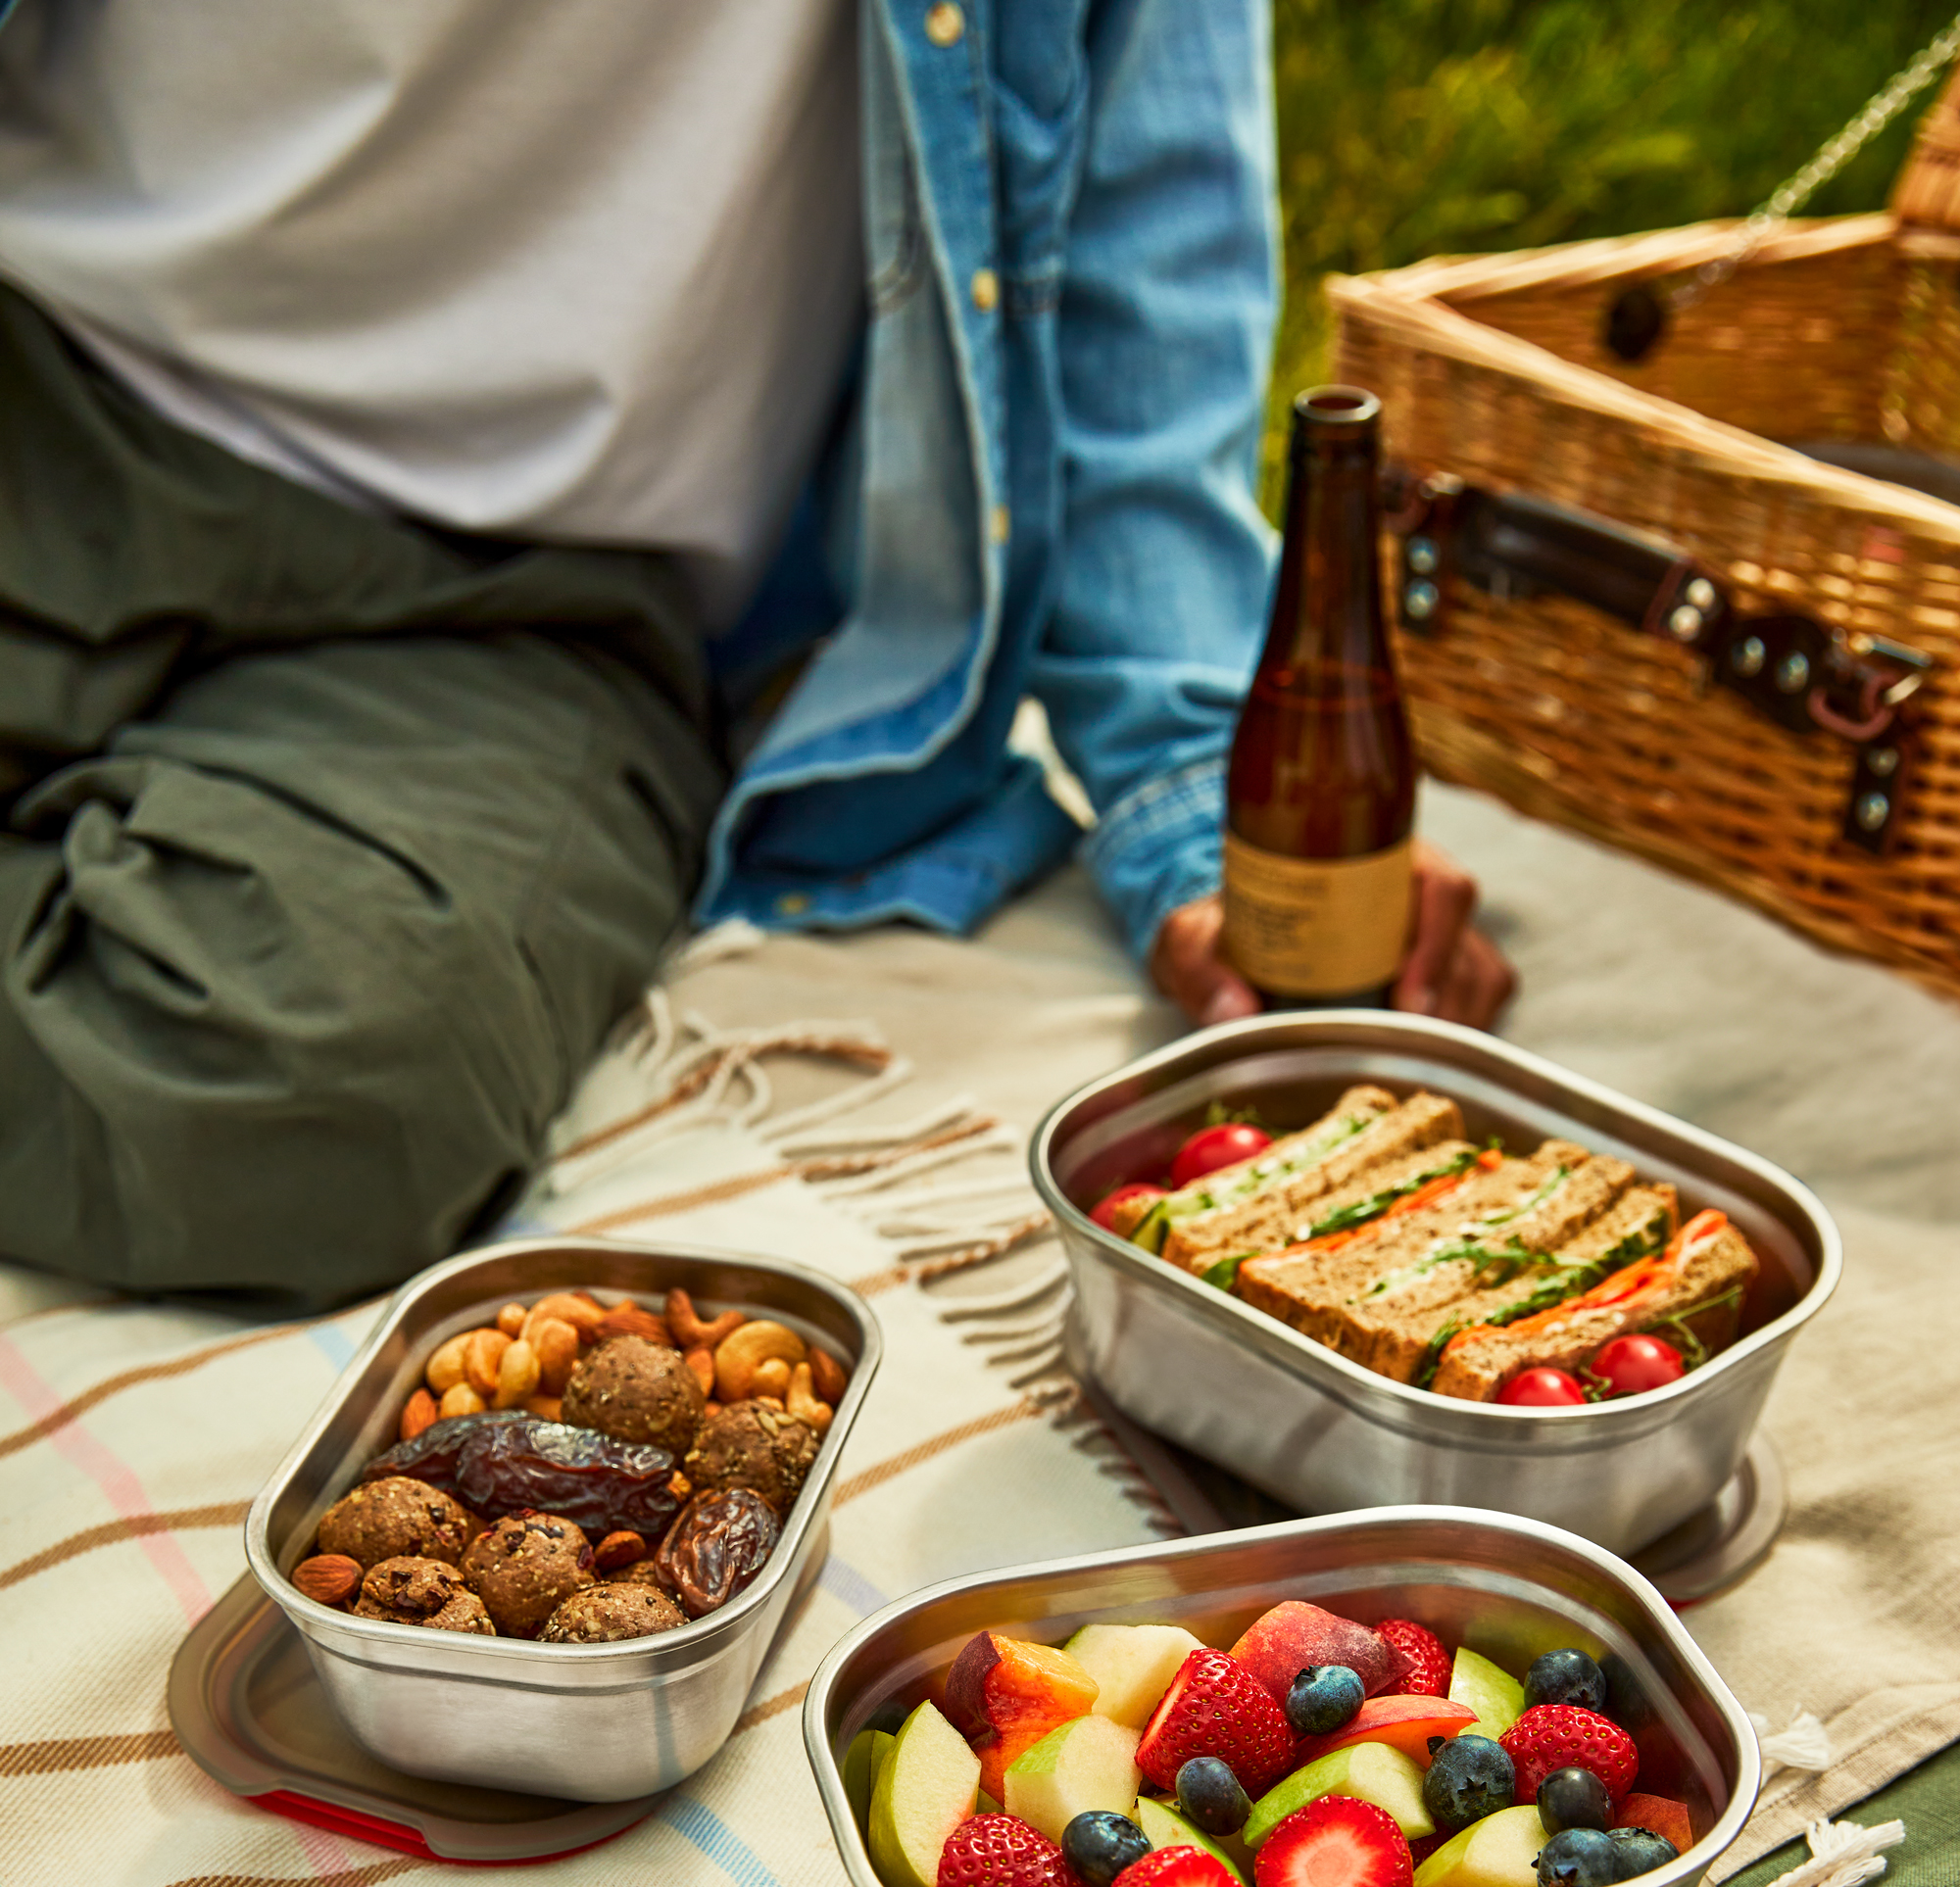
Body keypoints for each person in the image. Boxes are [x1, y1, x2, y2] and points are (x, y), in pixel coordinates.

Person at [0, 0, 1512, 1309]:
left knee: (322, 1101)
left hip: (526, 580)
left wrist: (1198, 790)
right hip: (49, 374)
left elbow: (1140, 242)